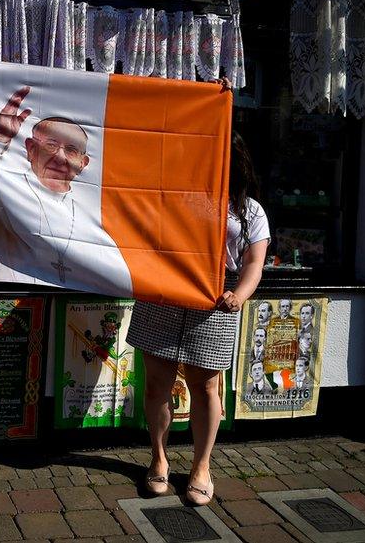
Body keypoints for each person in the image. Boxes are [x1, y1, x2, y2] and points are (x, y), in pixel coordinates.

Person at [125, 128, 270, 506]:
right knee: (157, 383)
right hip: (166, 293)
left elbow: (255, 263)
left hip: (216, 301)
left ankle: (201, 466)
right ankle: (158, 458)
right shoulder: (174, 194)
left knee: (206, 387)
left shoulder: (250, 210)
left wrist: (239, 294)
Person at [0, 86, 131, 296]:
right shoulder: (2, 187)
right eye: (51, 145)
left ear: (83, 162)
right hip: (2, 301)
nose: (60, 157)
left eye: (71, 150)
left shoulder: (93, 208)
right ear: (31, 149)